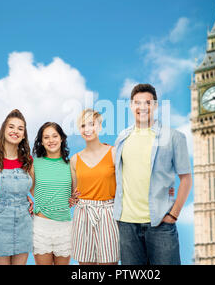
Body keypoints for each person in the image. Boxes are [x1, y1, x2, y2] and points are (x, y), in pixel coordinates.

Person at [113, 83, 193, 265]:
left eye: (148, 103)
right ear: (131, 106)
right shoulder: (122, 139)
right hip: (127, 225)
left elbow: (186, 179)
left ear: (156, 106)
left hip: (160, 224)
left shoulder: (174, 137)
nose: (143, 107)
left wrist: (173, 214)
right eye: (138, 103)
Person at [70, 109, 119, 265]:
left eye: (92, 124)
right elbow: (73, 193)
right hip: (83, 214)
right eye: (83, 125)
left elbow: (126, 184)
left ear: (100, 127)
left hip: (108, 214)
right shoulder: (74, 160)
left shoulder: (113, 153)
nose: (87, 129)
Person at [0, 109, 34, 265]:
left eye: (20, 129)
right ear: (4, 130)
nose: (15, 131)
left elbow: (36, 190)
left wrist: (33, 201)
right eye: (11, 127)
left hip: (24, 220)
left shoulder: (28, 160)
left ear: (24, 134)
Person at [31, 122, 73, 265]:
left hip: (65, 227)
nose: (51, 140)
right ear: (41, 142)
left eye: (55, 136)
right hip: (41, 226)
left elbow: (75, 192)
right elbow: (30, 188)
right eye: (46, 137)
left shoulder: (71, 163)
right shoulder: (35, 163)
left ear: (62, 138)